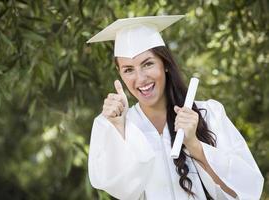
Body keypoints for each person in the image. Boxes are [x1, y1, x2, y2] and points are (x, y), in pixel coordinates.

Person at [87, 15, 264, 200]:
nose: (140, 79)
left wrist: (194, 145)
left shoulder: (209, 114)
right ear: (120, 73)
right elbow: (122, 190)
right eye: (128, 69)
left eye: (147, 64)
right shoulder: (117, 124)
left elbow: (247, 189)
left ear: (165, 64)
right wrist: (118, 129)